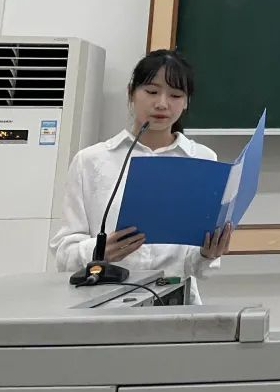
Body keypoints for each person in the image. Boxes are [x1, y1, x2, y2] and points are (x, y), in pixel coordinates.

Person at [50, 49, 232, 303]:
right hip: (104, 302)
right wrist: (99, 251)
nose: (162, 104)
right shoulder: (91, 161)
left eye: (175, 95)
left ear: (186, 101)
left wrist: (208, 253)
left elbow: (196, 268)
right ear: (131, 93)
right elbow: (63, 255)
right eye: (152, 91)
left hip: (175, 304)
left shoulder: (202, 160)